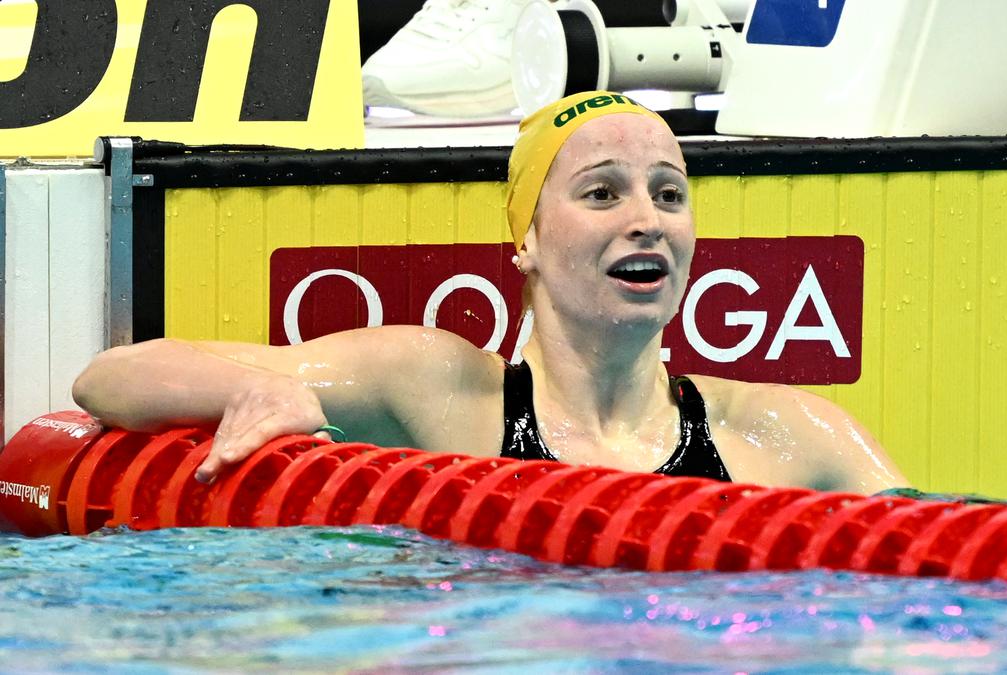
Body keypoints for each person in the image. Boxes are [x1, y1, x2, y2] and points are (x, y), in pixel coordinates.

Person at [72, 91, 908, 494]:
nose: (646, 221)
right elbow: (110, 378)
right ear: (528, 241)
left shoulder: (786, 434)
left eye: (668, 193)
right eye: (602, 192)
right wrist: (262, 389)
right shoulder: (440, 393)